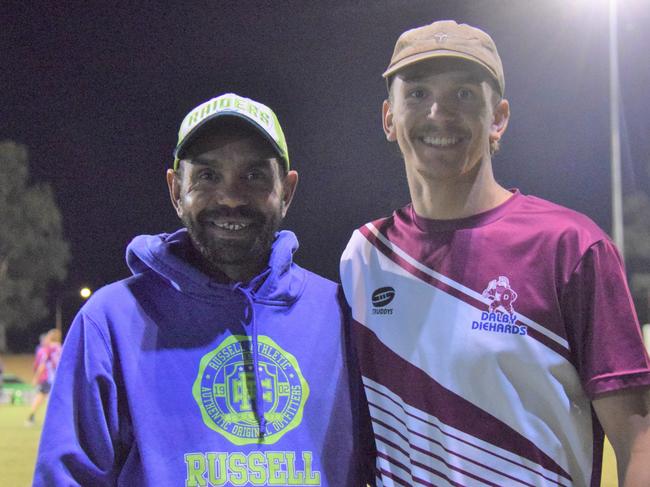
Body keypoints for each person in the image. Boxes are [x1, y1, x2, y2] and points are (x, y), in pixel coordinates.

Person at [340, 20, 650, 487]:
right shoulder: (364, 256)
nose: (439, 113)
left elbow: (639, 442)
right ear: (389, 117)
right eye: (418, 94)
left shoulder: (570, 246)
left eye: (464, 94)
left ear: (498, 117)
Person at [34, 93, 373, 486]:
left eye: (254, 176)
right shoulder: (111, 322)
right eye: (208, 176)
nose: (230, 197)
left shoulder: (342, 315)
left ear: (287, 191)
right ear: (176, 190)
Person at [26, 328, 62, 425]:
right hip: (57, 377)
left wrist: (35, 378)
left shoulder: (48, 349)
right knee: (44, 397)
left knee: (43, 397)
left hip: (49, 378)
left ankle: (33, 417)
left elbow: (42, 365)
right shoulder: (60, 347)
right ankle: (34, 417)